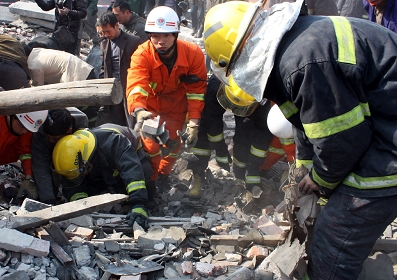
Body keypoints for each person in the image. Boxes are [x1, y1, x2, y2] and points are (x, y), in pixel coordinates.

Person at [203, 0, 397, 278]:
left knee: (335, 234)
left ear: (243, 53)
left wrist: (321, 180)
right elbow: (303, 122)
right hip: (383, 120)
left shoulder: (301, 62)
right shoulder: (292, 49)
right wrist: (304, 168)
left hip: (389, 137)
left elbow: (342, 139)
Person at [126, 6, 207, 188]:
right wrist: (139, 110)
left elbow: (196, 91)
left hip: (176, 106)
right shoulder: (141, 55)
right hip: (150, 108)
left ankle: (163, 174)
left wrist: (194, 122)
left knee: (173, 144)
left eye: (166, 36)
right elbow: (136, 84)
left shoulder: (193, 54)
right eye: (155, 36)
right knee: (151, 147)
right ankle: (151, 181)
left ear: (176, 35)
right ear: (149, 36)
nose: (160, 41)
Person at [51, 124, 153, 228]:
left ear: (87, 162)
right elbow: (71, 182)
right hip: (103, 163)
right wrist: (81, 203)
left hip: (132, 154)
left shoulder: (114, 142)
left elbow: (131, 169)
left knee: (144, 170)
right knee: (93, 182)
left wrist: (138, 203)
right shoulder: (75, 152)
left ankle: (139, 198)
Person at [25, 46, 101, 128]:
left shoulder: (35, 65)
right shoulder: (37, 52)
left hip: (76, 75)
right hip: (83, 69)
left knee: (77, 106)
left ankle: (89, 127)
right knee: (86, 105)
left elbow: (37, 93)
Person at [30, 108, 88, 204]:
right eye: (49, 137)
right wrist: (48, 200)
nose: (51, 141)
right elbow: (41, 167)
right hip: (46, 150)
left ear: (68, 131)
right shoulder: (40, 130)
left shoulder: (81, 125)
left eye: (55, 138)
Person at [97, 12, 143, 127]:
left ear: (116, 25)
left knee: (131, 123)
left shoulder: (134, 41)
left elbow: (141, 67)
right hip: (113, 90)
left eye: (108, 31)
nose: (106, 35)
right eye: (103, 32)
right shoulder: (104, 44)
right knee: (116, 123)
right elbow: (103, 68)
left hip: (130, 89)